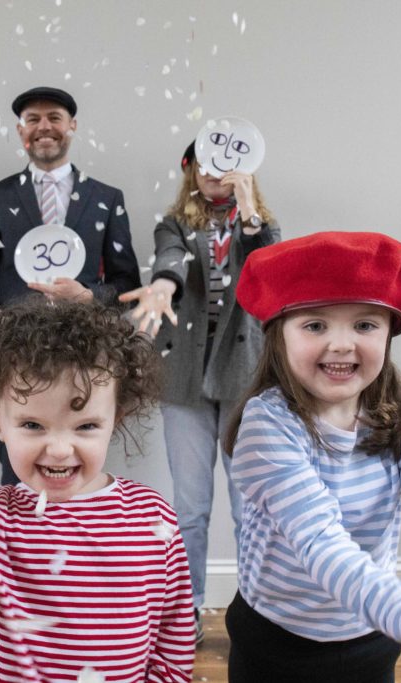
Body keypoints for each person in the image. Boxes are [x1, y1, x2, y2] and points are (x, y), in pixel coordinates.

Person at [223, 231, 401, 682]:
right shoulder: (267, 426)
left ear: (388, 334)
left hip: (370, 638)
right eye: (315, 325)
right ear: (278, 336)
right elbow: (321, 543)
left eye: (365, 325)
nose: (341, 344)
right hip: (276, 644)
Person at [0, 299, 195, 682]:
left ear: (114, 419)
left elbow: (174, 627)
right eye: (33, 425)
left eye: (85, 426)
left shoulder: (152, 514)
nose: (58, 449)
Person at [119, 142, 280, 645]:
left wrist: (249, 213)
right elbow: (170, 260)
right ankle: (185, 612)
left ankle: (256, 607)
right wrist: (164, 285)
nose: (216, 173)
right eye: (205, 165)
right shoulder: (173, 223)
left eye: (227, 165)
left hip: (242, 376)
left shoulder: (262, 226)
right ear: (190, 171)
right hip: (185, 376)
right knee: (190, 507)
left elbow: (270, 270)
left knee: (249, 503)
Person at [0, 85, 141, 485]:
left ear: (72, 126)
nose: (44, 127)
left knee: (78, 466)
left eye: (54, 118)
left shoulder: (107, 198)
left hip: (88, 357)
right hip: (18, 356)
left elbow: (128, 282)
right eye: (33, 119)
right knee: (19, 469)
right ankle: (17, 547)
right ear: (21, 130)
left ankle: (76, 547)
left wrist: (90, 297)